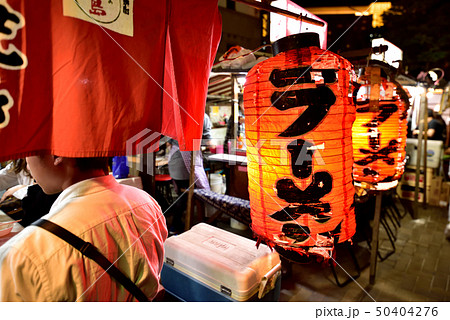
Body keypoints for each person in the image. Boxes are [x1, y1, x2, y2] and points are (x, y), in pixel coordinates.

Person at [0, 155, 167, 301]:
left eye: (29, 154)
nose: (27, 164)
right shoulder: (146, 203)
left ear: (56, 155)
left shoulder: (24, 253)